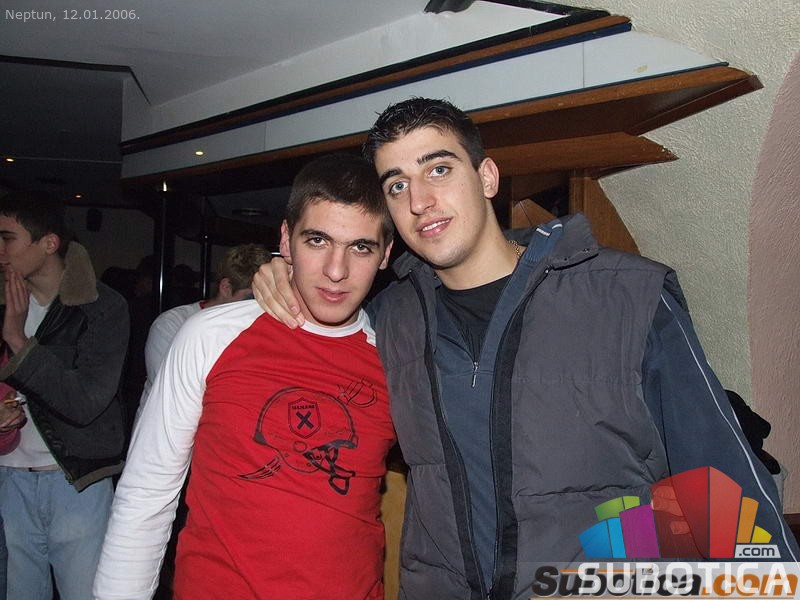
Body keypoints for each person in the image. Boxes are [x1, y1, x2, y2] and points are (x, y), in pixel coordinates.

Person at [253, 98, 799, 598]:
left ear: (486, 177)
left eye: (438, 169)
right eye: (397, 185)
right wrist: (282, 272)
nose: (420, 201)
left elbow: (724, 484)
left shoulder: (628, 296)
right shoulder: (388, 319)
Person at [93, 153, 397, 600]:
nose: (337, 270)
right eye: (317, 240)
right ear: (286, 241)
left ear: (386, 254)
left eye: (361, 247)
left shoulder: (396, 360)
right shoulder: (210, 335)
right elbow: (148, 490)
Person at [0, 190, 129, 600]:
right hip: (8, 478)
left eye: (7, 238)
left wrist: (19, 341)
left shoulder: (101, 307)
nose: (0, 250)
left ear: (49, 243)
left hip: (76, 481)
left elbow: (86, 402)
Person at [141, 243, 271, 402]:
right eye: (251, 298)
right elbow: (174, 392)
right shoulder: (171, 324)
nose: (258, 306)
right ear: (226, 288)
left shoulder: (259, 328)